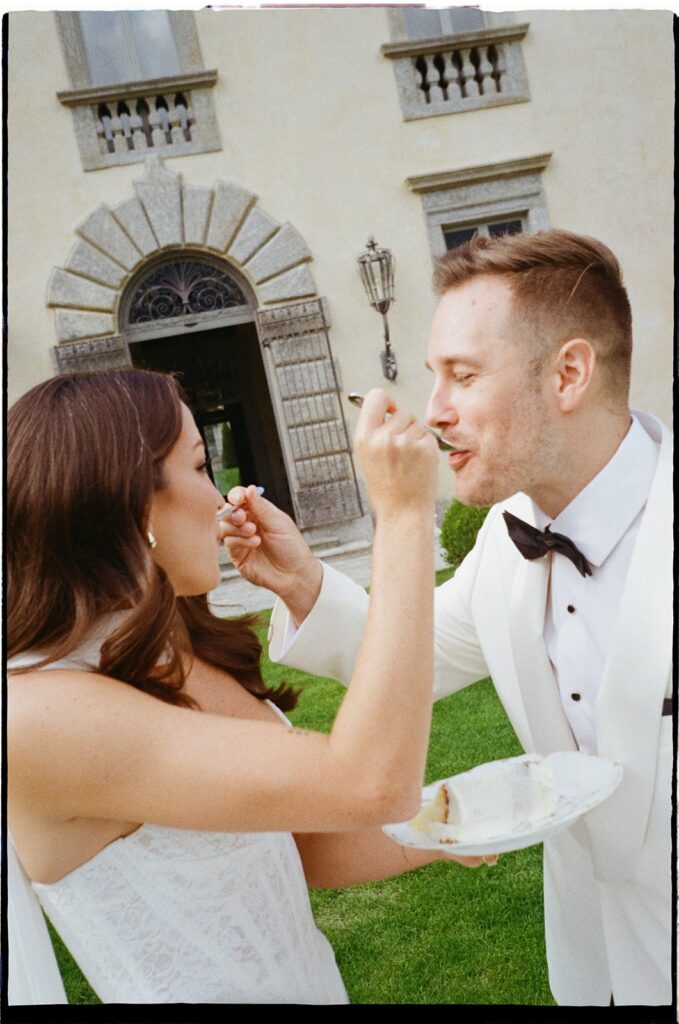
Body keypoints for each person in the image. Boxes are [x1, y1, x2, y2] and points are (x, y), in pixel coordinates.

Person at [222, 229, 673, 1007]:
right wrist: (303, 582)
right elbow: (410, 657)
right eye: (433, 378)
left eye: (461, 377)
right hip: (590, 959)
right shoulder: (505, 539)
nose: (432, 414)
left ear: (567, 373)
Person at [7, 369, 486, 1006]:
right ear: (133, 500)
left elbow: (302, 844)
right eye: (202, 467)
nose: (223, 497)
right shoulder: (36, 715)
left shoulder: (159, 645)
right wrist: (401, 516)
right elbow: (370, 782)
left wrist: (455, 829)